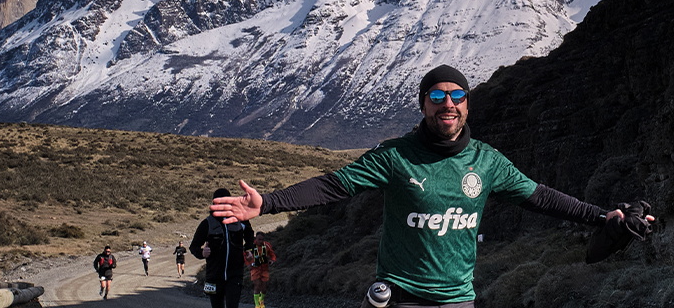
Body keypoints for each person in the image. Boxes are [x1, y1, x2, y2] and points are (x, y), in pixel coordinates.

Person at [210, 65, 655, 308]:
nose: (448, 103)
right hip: (396, 297)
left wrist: (602, 216)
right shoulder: (395, 155)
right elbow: (335, 185)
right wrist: (269, 203)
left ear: (467, 105)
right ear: (424, 104)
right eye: (437, 95)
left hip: (457, 301)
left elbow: (539, 197)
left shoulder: (487, 161)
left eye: (457, 95)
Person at [190, 187, 255, 308]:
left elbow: (250, 234)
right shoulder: (207, 223)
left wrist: (248, 249)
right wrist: (202, 253)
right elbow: (194, 247)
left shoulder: (240, 219)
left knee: (232, 305)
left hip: (235, 274)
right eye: (219, 202)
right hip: (213, 276)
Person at [245, 231, 276, 308]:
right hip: (255, 268)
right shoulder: (251, 246)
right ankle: (257, 305)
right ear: (256, 238)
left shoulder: (267, 245)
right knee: (257, 285)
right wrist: (248, 264)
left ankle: (261, 301)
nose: (260, 241)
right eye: (259, 239)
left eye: (262, 239)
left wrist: (272, 260)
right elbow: (245, 255)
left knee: (264, 288)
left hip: (264, 268)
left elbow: (272, 254)